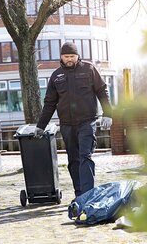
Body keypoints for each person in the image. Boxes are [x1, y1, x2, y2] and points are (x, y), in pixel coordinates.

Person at [35, 42, 113, 200]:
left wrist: (108, 113)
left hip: (87, 121)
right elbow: (50, 102)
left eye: (72, 56)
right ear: (61, 57)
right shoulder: (56, 76)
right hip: (67, 125)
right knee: (73, 160)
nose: (69, 59)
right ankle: (79, 194)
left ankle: (88, 194)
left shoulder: (89, 69)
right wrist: (40, 126)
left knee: (85, 156)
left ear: (77, 56)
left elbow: (102, 91)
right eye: (66, 57)